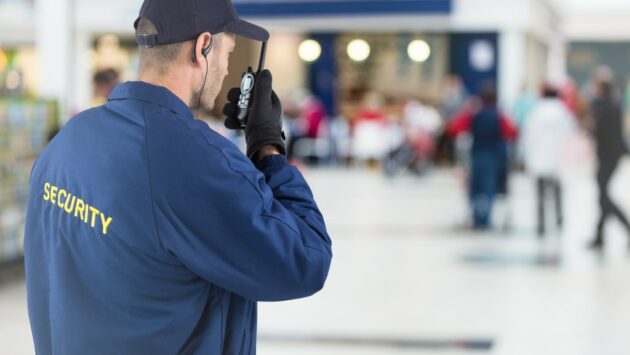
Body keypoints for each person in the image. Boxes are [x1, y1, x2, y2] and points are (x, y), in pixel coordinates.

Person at [24, 0, 332, 354]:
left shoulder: (67, 141)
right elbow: (306, 261)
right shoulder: (196, 160)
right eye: (227, 54)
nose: (225, 68)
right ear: (203, 48)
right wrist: (268, 149)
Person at [448, 83, 518, 228]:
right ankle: (485, 218)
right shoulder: (499, 116)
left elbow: (454, 129)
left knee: (475, 188)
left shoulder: (474, 115)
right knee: (489, 188)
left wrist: (466, 110)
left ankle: (477, 216)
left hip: (476, 155)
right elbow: (512, 133)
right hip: (494, 158)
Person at [522, 85, 576, 236]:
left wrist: (527, 157)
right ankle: (559, 220)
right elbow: (570, 135)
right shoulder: (563, 113)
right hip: (556, 159)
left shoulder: (535, 112)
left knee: (540, 194)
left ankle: (541, 224)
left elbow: (528, 137)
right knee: (557, 192)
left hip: (539, 158)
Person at [589, 75, 630, 249]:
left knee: (604, 197)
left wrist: (591, 127)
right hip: (608, 156)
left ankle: (627, 228)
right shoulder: (608, 105)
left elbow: (603, 133)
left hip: (609, 157)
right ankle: (599, 235)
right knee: (602, 196)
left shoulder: (607, 107)